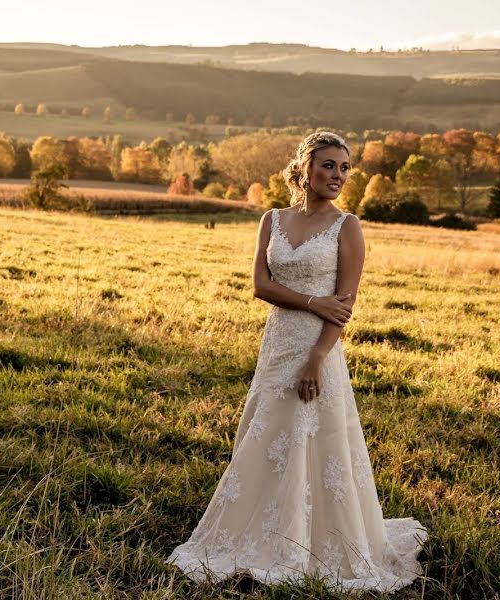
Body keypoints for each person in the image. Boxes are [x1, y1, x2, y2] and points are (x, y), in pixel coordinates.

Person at [164, 131, 429, 592]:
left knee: (312, 435)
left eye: (345, 168)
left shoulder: (347, 226)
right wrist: (312, 300)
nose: (338, 176)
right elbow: (260, 286)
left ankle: (311, 539)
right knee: (267, 431)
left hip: (316, 350)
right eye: (328, 165)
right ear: (304, 168)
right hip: (278, 343)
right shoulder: (272, 219)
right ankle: (256, 529)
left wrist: (317, 358)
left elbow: (343, 306)